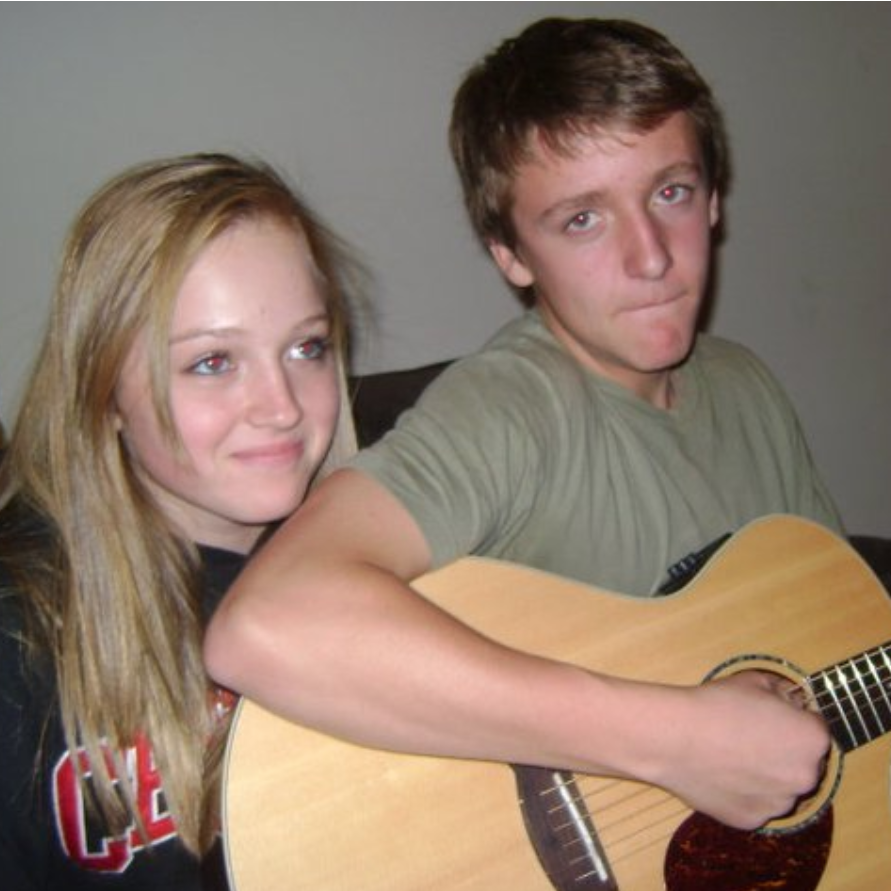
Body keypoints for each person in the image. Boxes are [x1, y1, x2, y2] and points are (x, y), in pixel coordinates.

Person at [205, 17, 842, 834]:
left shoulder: (746, 387)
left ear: (713, 197)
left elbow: (830, 635)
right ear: (508, 253)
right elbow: (267, 624)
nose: (650, 257)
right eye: (582, 218)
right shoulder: (511, 407)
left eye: (669, 192)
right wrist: (673, 738)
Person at [0, 153, 356, 889]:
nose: (282, 403)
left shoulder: (383, 570)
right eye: (213, 361)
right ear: (103, 391)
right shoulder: (21, 641)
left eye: (306, 347)